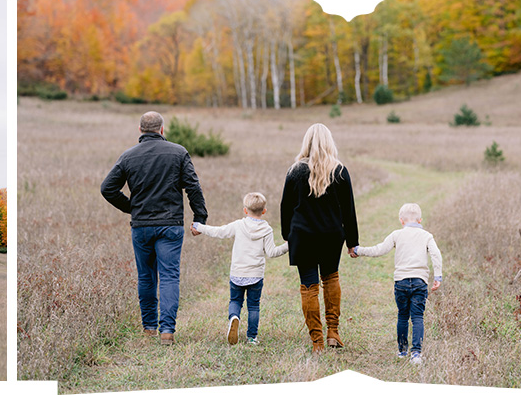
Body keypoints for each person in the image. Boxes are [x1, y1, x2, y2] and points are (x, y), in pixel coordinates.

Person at [101, 111, 207, 346]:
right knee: (169, 276)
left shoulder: (128, 156)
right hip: (170, 226)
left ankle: (149, 327)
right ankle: (167, 331)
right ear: (162, 130)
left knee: (146, 276)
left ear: (140, 131)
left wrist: (132, 208)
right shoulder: (178, 152)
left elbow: (107, 188)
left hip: (142, 227)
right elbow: (193, 187)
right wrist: (200, 217)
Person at [281, 123, 358, 352]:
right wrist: (352, 242)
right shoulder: (340, 171)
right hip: (331, 236)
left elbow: (285, 207)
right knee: (331, 279)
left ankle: (317, 342)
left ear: (307, 142)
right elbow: (349, 210)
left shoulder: (295, 171)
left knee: (309, 286)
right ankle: (333, 332)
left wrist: (288, 236)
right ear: (329, 142)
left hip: (302, 236)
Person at [190, 192, 288, 345]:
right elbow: (272, 252)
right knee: (254, 306)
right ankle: (252, 337)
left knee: (235, 300)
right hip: (255, 275)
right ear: (264, 211)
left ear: (245, 210)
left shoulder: (238, 225)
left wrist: (200, 227)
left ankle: (234, 317)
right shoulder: (266, 229)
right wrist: (289, 245)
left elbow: (219, 232)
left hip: (237, 273)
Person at [352, 203, 444, 365]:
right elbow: (436, 255)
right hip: (419, 281)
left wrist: (359, 250)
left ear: (401, 220)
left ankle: (402, 350)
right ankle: (416, 354)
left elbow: (379, 250)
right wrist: (438, 276)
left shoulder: (396, 234)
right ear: (420, 220)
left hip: (401, 282)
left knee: (402, 316)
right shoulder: (427, 236)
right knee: (417, 317)